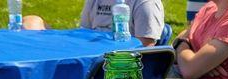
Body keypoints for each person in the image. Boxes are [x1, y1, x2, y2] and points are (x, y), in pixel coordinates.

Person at [22, 0, 164, 46]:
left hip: (114, 69)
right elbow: (84, 34)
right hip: (87, 57)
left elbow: (145, 51)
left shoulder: (146, 3)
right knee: (31, 22)